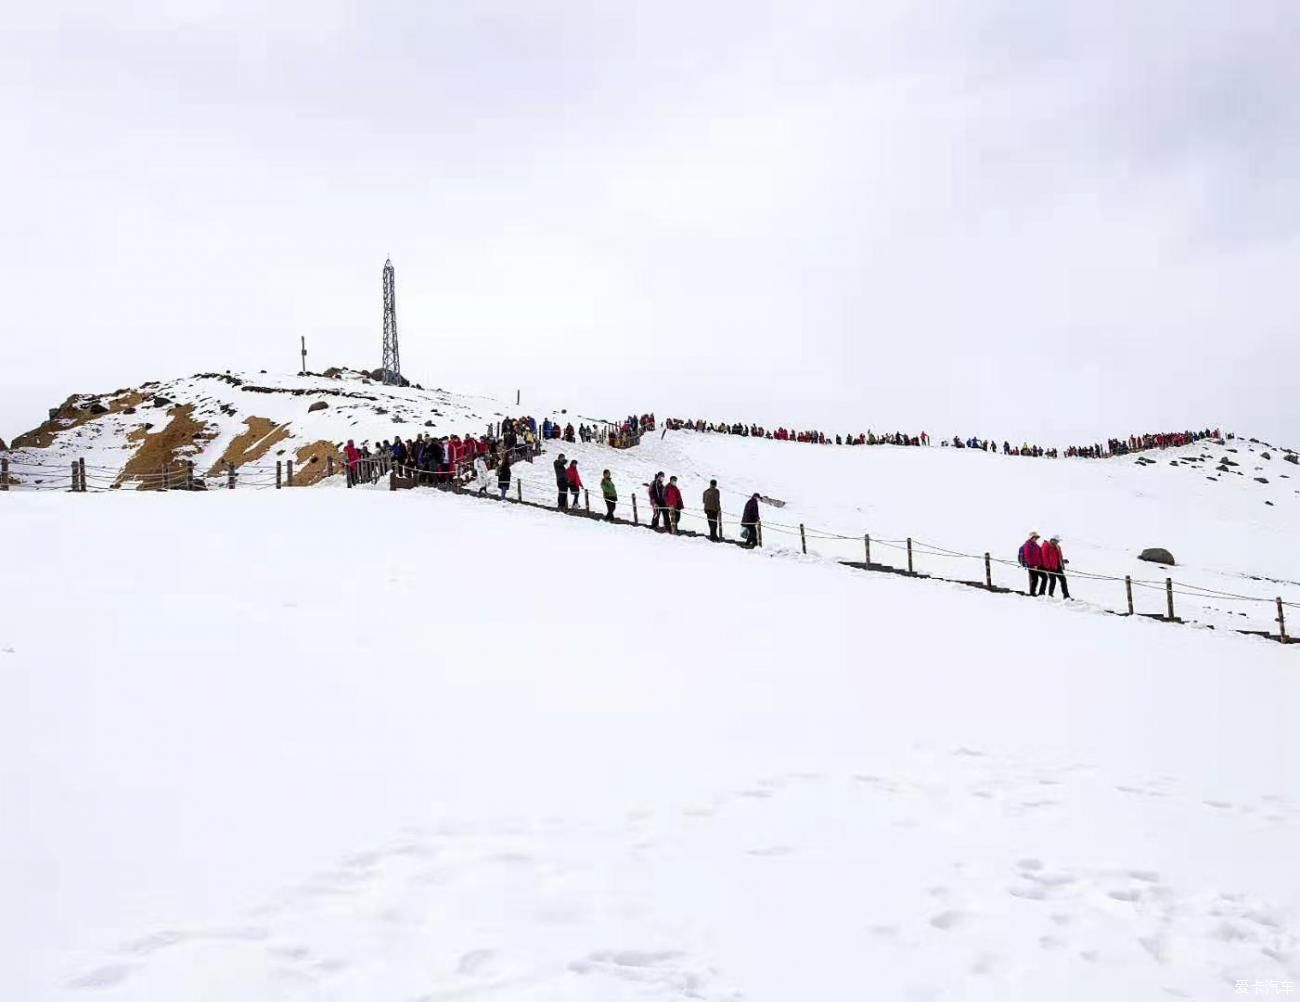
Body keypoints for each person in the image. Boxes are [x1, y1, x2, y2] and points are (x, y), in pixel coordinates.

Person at [1018, 531, 1045, 596]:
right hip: (1031, 565)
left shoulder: (1036, 545)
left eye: (1036, 538)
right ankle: (1032, 593)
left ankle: (1041, 593)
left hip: (1037, 565)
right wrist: (1033, 565)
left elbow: (1040, 556)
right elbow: (1027, 556)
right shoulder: (1027, 545)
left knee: (1044, 577)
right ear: (1031, 537)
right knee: (1035, 579)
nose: (1035, 539)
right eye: (1034, 537)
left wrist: (1041, 564)